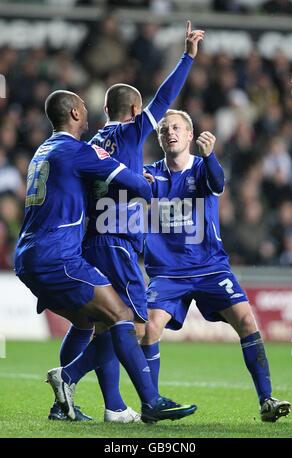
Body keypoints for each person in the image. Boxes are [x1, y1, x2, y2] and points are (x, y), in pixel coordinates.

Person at [49, 21, 205, 423]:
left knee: (104, 324)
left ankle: (113, 407)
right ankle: (71, 378)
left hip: (90, 240)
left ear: (104, 110)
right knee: (134, 323)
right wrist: (187, 57)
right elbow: (166, 96)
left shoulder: (91, 141)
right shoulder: (134, 130)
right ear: (136, 111)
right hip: (118, 241)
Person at [14, 91, 197, 424]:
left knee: (88, 322)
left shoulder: (43, 150)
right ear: (72, 113)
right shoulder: (78, 151)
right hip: (58, 257)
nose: (88, 113)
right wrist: (149, 181)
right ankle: (144, 399)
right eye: (82, 108)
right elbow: (134, 184)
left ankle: (68, 405)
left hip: (29, 256)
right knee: (123, 317)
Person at [141, 109, 291, 423]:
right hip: (167, 272)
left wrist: (210, 156)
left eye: (177, 128)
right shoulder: (148, 175)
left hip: (210, 267)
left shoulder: (203, 167)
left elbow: (218, 182)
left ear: (189, 135)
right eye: (165, 129)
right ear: (159, 138)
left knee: (247, 321)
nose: (171, 132)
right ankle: (150, 404)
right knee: (150, 327)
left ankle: (266, 400)